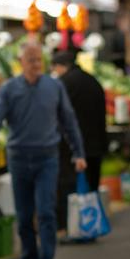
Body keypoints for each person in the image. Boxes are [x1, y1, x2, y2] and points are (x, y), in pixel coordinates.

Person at [0, 42, 86, 259]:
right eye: (31, 60)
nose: (36, 64)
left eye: (39, 60)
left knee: (47, 212)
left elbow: (69, 121)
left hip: (47, 157)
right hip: (18, 158)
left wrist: (78, 152)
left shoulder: (54, 86)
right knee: (25, 215)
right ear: (21, 62)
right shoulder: (9, 89)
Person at [50, 52, 107, 232]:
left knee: (69, 187)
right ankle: (91, 225)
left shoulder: (64, 83)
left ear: (60, 66)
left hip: (72, 146)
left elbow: (57, 114)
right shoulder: (93, 81)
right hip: (96, 143)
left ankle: (70, 226)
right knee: (91, 187)